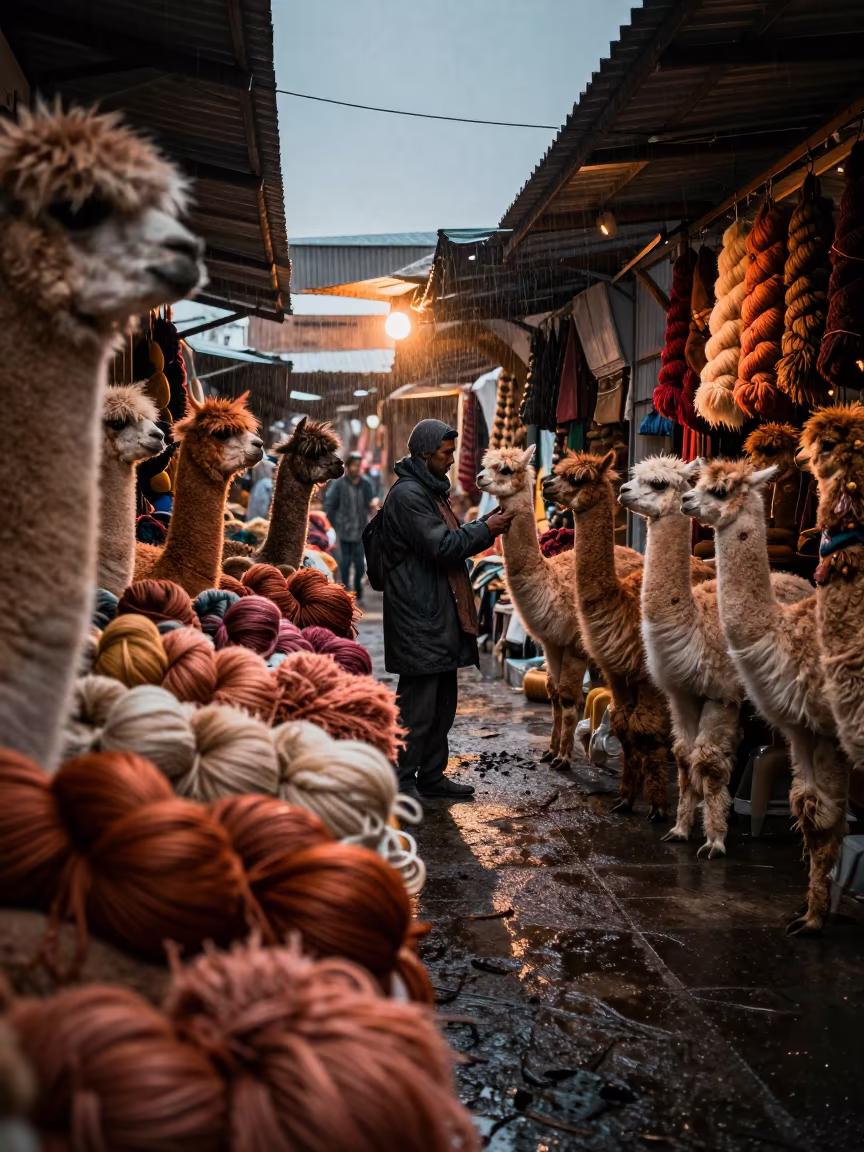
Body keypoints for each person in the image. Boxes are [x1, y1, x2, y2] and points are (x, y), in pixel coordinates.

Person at [381, 419, 515, 801]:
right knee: (418, 707)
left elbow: (450, 538)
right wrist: (487, 530)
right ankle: (404, 780)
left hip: (436, 613)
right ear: (426, 454)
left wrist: (481, 525)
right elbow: (442, 546)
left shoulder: (429, 491)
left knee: (442, 704)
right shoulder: (409, 496)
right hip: (418, 617)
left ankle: (432, 776)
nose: (452, 460)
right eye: (446, 453)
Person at [324, 452, 375, 601]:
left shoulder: (365, 484)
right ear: (348, 466)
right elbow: (330, 505)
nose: (356, 468)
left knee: (360, 565)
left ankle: (358, 590)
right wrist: (331, 526)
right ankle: (346, 593)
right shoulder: (338, 484)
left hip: (360, 531)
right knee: (344, 565)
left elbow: (370, 501)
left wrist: (372, 506)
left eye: (358, 466)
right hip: (343, 531)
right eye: (354, 465)